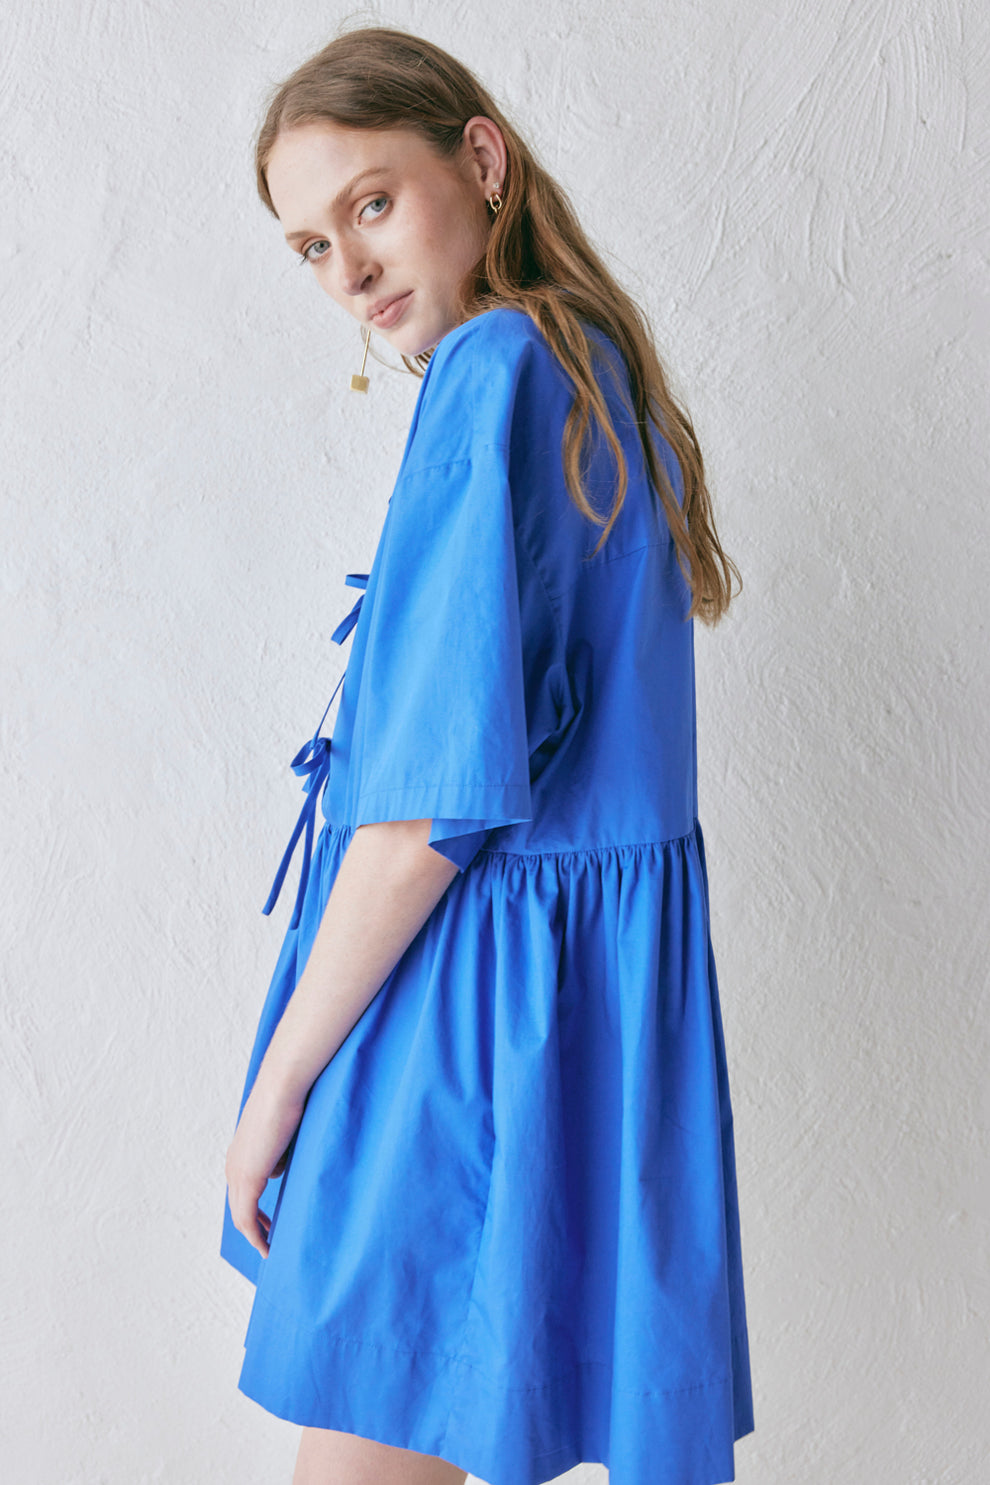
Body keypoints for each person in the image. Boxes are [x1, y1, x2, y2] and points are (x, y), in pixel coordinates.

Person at [221, 24, 754, 1485]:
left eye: (371, 203)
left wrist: (277, 1088)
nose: (348, 269)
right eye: (311, 245)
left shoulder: (493, 371)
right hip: (569, 1019)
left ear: (480, 159)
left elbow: (426, 818)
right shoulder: (595, 367)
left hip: (461, 1018)